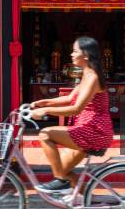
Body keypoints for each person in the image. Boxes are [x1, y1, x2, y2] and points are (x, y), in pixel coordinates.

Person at [30, 36, 114, 193]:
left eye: (75, 51)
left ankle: (60, 181)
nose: (71, 54)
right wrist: (43, 102)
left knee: (45, 134)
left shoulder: (93, 78)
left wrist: (46, 111)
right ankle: (86, 207)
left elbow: (76, 109)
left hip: (94, 131)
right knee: (63, 169)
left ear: (86, 55)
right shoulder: (87, 75)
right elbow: (69, 98)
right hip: (85, 128)